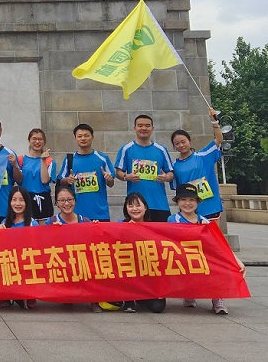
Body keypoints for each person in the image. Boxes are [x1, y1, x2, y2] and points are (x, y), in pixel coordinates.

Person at [167, 183, 246, 315]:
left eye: (192, 199)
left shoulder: (206, 222)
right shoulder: (173, 220)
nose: (187, 203)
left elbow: (220, 244)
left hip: (203, 258)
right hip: (182, 258)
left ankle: (217, 298)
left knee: (218, 264)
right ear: (178, 202)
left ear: (198, 202)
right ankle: (189, 293)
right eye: (183, 199)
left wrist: (237, 261)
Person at [98, 193, 166, 313]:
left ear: (145, 207)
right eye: (130, 206)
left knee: (158, 307)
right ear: (126, 209)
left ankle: (141, 298)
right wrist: (95, 226)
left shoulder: (154, 227)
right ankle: (128, 297)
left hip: (148, 276)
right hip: (126, 273)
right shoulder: (119, 225)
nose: (134, 209)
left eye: (138, 205)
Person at [114, 115, 175, 222]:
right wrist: (127, 176)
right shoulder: (126, 149)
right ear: (135, 128)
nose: (143, 128)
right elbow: (118, 172)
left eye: (147, 126)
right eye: (140, 125)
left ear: (152, 128)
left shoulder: (161, 149)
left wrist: (166, 177)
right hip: (136, 206)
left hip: (159, 204)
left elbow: (170, 172)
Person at [170, 107, 224, 223]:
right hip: (189, 210)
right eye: (177, 143)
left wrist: (214, 122)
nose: (181, 145)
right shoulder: (174, 166)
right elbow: (177, 189)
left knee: (212, 234)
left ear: (190, 141)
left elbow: (219, 139)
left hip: (210, 207)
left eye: (183, 142)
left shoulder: (203, 155)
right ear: (174, 146)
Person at [0, 186, 38, 310]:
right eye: (14, 200)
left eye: (21, 200)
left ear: (27, 202)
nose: (17, 204)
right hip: (8, 264)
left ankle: (23, 293)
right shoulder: (5, 222)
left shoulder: (32, 224)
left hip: (25, 264)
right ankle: (5, 295)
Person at [58, 123, 115, 221]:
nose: (83, 138)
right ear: (75, 138)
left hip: (100, 213)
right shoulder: (69, 159)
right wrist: (68, 180)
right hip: (76, 215)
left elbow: (111, 183)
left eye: (86, 135)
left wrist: (109, 179)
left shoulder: (102, 158)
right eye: (80, 136)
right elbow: (61, 180)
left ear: (92, 137)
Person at [17, 128, 56, 224]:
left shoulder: (50, 161)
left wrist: (43, 160)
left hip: (43, 197)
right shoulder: (21, 160)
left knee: (43, 230)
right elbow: (18, 180)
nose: (37, 142)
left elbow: (44, 180)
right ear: (29, 140)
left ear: (44, 141)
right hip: (25, 197)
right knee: (26, 227)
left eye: (40, 139)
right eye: (34, 139)